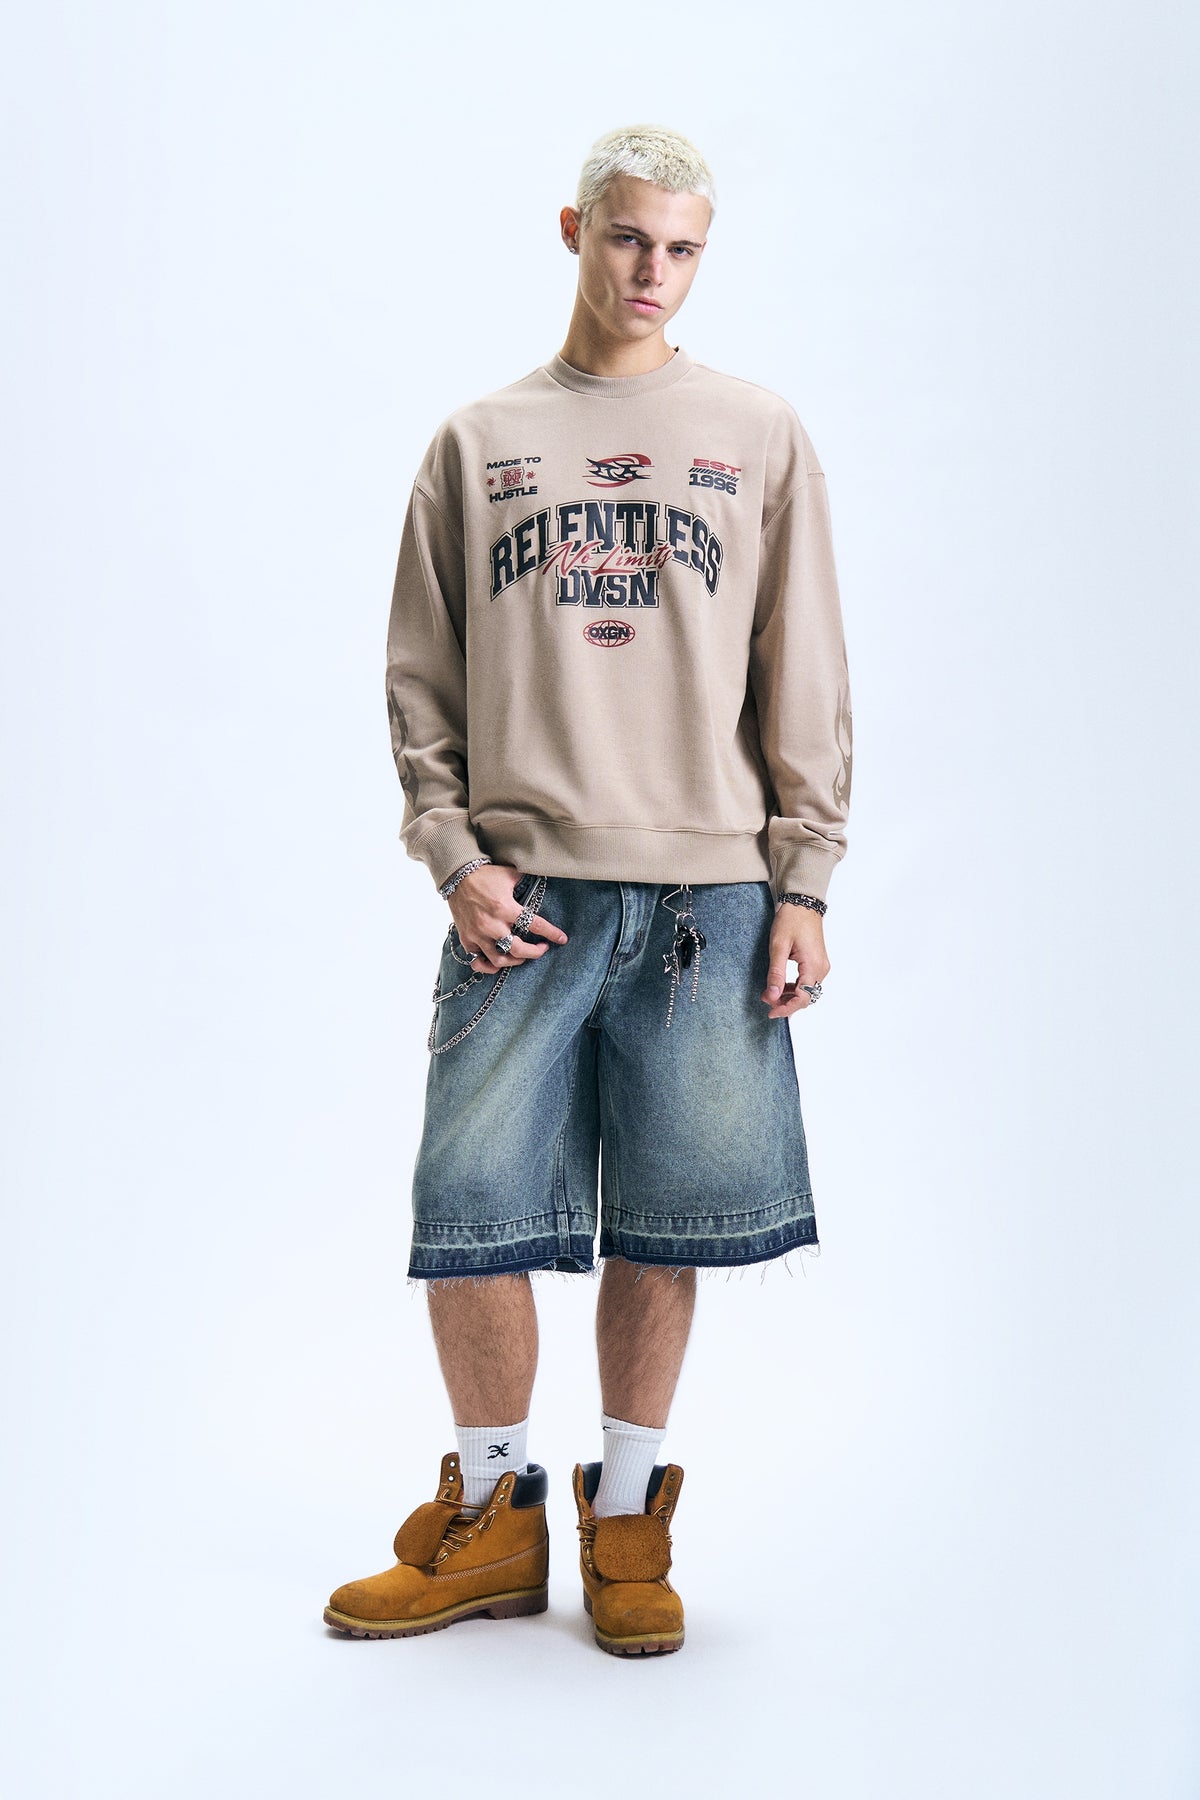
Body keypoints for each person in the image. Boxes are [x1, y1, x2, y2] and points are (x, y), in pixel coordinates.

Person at [323, 123, 853, 1657]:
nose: (652, 273)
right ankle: (492, 1518)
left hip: (708, 899)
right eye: (629, 238)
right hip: (523, 900)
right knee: (472, 1210)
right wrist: (454, 855)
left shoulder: (757, 433)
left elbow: (803, 668)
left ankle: (626, 1518)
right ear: (574, 230)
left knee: (669, 1221)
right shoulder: (479, 441)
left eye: (682, 248)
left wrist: (806, 880)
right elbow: (419, 675)